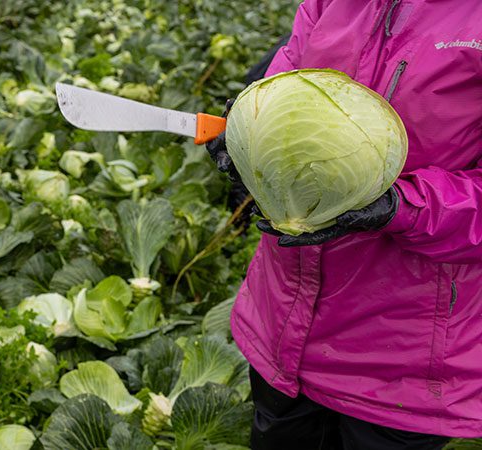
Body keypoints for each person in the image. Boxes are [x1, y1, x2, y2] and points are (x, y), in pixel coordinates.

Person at [207, 1, 482, 449]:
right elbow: (281, 86)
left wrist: (401, 206)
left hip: (406, 357)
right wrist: (244, 137)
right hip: (283, 321)